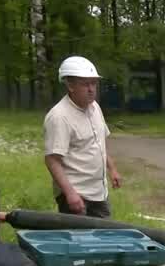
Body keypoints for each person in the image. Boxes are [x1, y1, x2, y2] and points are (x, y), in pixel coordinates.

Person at [43, 56, 123, 218]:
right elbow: (52, 160)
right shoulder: (59, 116)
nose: (91, 89)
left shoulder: (94, 107)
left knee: (104, 238)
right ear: (70, 85)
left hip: (99, 193)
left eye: (94, 83)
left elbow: (100, 142)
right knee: (78, 241)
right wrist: (70, 193)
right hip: (76, 195)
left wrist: (112, 169)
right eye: (85, 84)